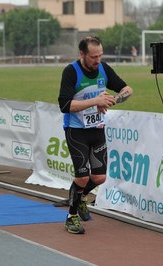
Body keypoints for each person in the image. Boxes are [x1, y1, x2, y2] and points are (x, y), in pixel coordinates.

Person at [58, 35, 133, 234]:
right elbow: (65, 105)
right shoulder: (71, 72)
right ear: (82, 54)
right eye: (93, 57)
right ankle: (71, 217)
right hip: (76, 131)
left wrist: (112, 100)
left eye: (100, 55)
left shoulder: (103, 69)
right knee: (81, 178)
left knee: (99, 178)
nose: (97, 60)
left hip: (97, 130)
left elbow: (127, 89)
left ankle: (81, 197)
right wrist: (95, 102)